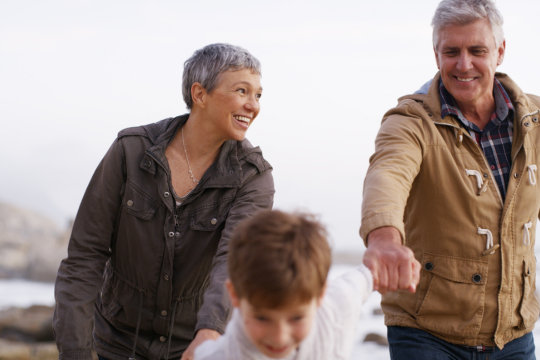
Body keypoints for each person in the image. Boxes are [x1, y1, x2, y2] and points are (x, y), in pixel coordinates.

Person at [53, 43, 275, 360]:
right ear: (199, 94)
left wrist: (210, 331)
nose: (253, 105)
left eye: (258, 95)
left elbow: (234, 263)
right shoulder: (130, 151)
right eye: (242, 91)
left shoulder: (254, 177)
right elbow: (85, 257)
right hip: (115, 343)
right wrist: (75, 352)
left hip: (196, 348)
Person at [361, 0, 540, 358]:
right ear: (436, 53)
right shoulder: (410, 121)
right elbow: (388, 174)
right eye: (451, 51)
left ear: (500, 52)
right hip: (425, 332)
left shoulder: (534, 122)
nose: (464, 64)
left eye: (477, 50)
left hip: (513, 335)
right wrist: (384, 239)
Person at [194, 210, 373, 360]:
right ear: (234, 295)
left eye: (296, 318)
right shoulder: (215, 356)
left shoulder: (340, 303)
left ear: (320, 296)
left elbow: (368, 275)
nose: (279, 338)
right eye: (262, 318)